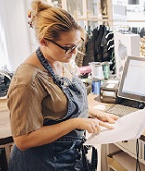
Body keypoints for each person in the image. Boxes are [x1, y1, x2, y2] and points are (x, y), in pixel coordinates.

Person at [7, 1, 119, 170]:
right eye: (68, 47)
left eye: (77, 45)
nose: (74, 53)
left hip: (69, 157)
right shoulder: (27, 81)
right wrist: (75, 123)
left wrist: (90, 112)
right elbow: (23, 140)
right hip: (42, 164)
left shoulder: (60, 60)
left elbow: (57, 107)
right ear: (44, 41)